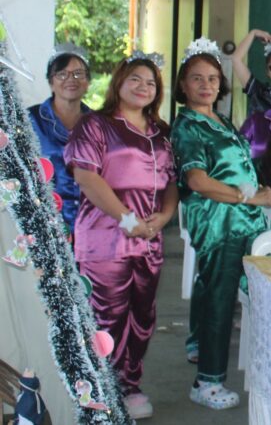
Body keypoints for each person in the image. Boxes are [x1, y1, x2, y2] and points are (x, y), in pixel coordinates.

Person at [64, 52, 177, 420]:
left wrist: (164, 217)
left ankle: (129, 385)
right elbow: (86, 177)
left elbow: (172, 182)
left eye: (151, 83)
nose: (143, 87)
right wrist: (126, 218)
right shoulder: (95, 125)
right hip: (105, 238)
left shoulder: (161, 132)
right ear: (119, 83)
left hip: (149, 240)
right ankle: (102, 389)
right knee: (107, 316)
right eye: (135, 79)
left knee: (142, 317)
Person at [169, 38, 271, 410]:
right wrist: (250, 198)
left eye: (213, 78)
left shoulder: (220, 120)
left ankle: (202, 348)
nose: (206, 85)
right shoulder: (188, 126)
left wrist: (257, 194)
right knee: (220, 298)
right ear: (183, 85)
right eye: (197, 78)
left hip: (242, 220)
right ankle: (208, 383)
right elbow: (198, 180)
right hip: (219, 221)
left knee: (219, 290)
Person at [28, 44, 92, 235]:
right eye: (62, 74)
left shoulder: (98, 124)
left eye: (78, 74)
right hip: (45, 225)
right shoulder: (30, 119)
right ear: (51, 82)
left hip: (91, 223)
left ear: (88, 82)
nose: (71, 79)